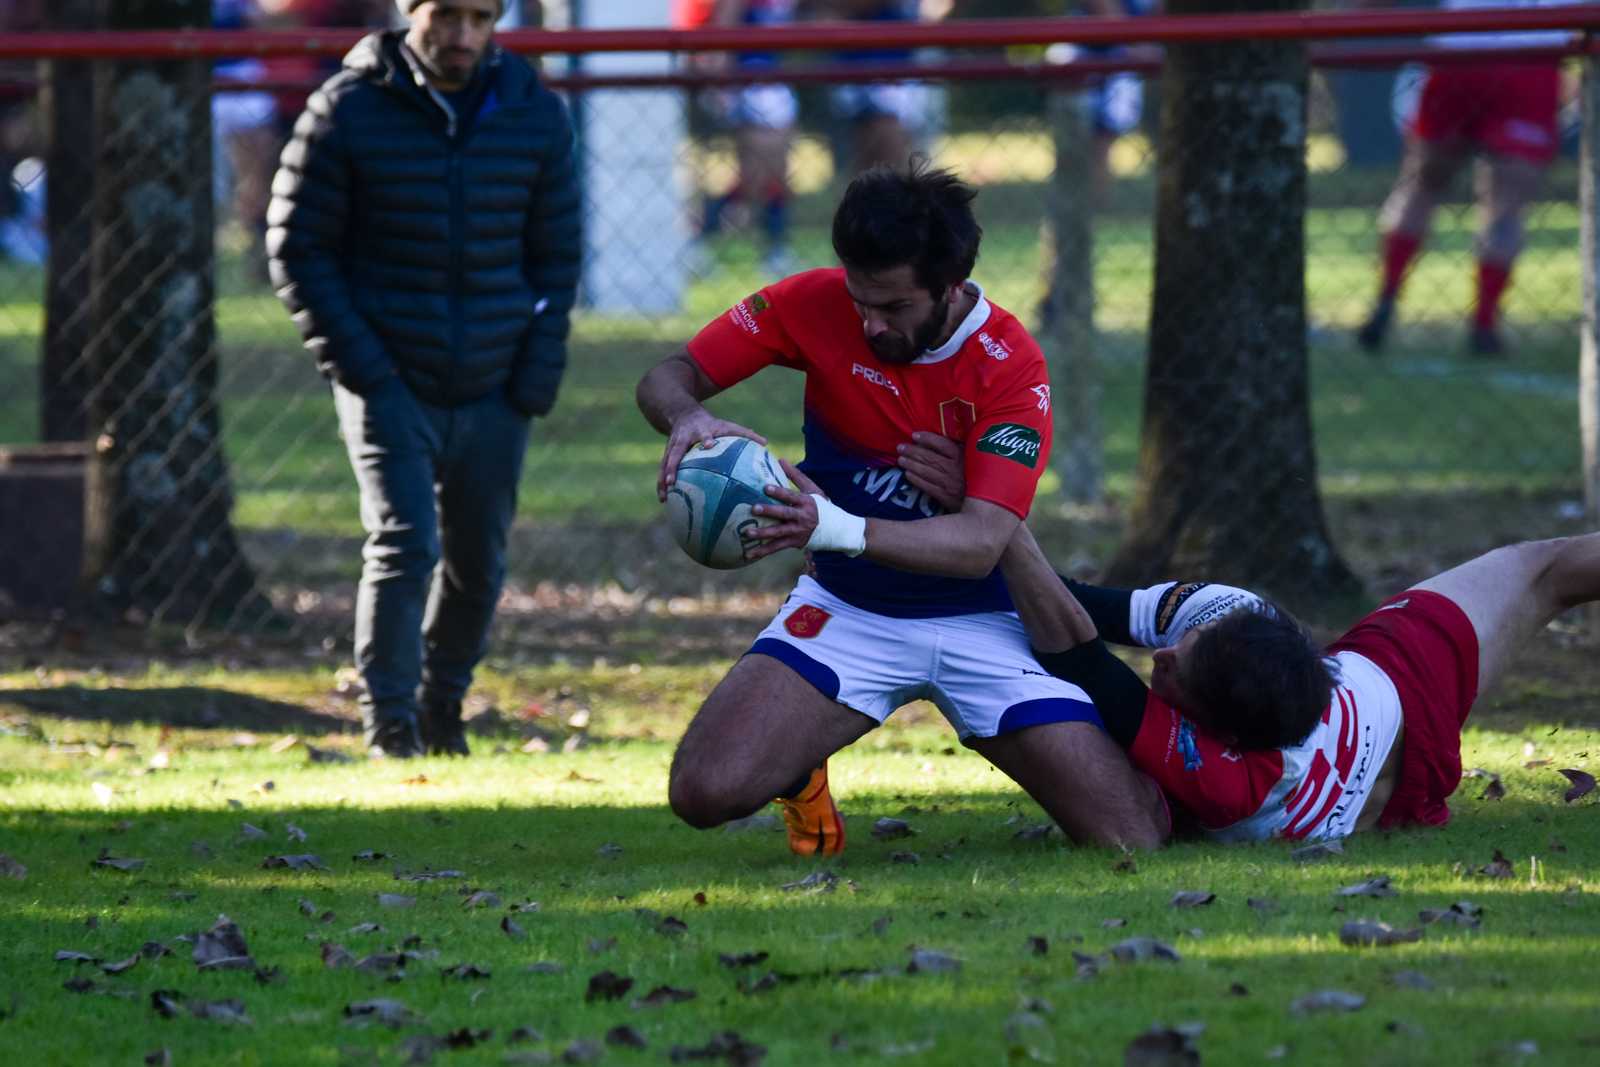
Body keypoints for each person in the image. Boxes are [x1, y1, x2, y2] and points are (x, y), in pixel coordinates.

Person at [636, 161, 1168, 856]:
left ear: (949, 287)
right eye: (861, 300)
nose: (870, 322)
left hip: (986, 620)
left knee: (1133, 837)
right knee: (702, 791)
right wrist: (688, 417)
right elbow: (668, 374)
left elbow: (981, 542)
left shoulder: (1009, 364)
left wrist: (831, 526)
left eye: (894, 308)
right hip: (849, 611)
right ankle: (799, 772)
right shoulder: (814, 302)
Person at [268, 0, 581, 757]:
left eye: (479, 16)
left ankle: (444, 708)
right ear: (412, 12)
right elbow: (296, 246)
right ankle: (391, 724)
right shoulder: (346, 107)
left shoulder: (535, 113)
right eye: (446, 14)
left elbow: (557, 260)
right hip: (388, 373)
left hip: (496, 379)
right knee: (404, 544)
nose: (462, 35)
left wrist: (532, 374)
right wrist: (364, 365)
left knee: (479, 560)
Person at [997, 515, 1600, 842]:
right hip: (1387, 684)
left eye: (1180, 669)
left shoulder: (1226, 777)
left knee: (1546, 566)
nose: (1163, 655)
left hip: (1382, 746)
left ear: (1220, 733)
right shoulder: (1238, 615)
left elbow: (1077, 653)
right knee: (1544, 567)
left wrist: (994, 520)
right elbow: (1078, 602)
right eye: (1185, 642)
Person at [1355, 0, 1582, 357]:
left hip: (1459, 51)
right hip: (1527, 62)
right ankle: (1484, 326)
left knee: (1422, 187)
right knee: (1505, 207)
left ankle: (1385, 301)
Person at [691, 0, 803, 278]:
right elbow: (725, 25)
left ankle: (775, 249)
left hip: (771, 75)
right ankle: (701, 240)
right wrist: (721, 79)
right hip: (747, 78)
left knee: (776, 170)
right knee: (753, 175)